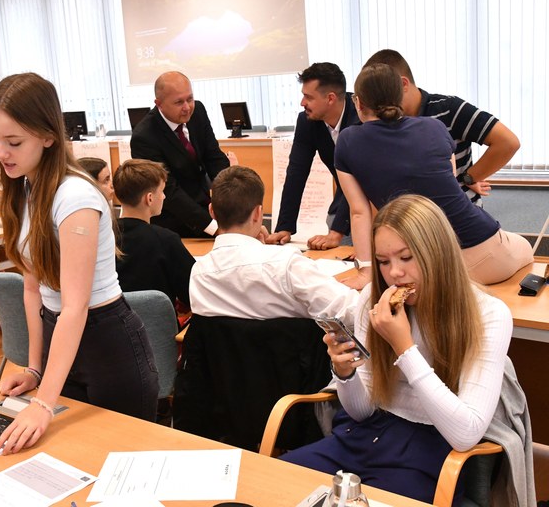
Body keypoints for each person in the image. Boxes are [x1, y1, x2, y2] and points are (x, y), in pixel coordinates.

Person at [281, 194, 519, 505]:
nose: (394, 273)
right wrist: (345, 373)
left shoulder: (488, 314)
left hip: (432, 447)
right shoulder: (372, 299)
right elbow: (361, 411)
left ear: (438, 252)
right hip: (364, 434)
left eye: (406, 258)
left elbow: (465, 434)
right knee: (276, 484)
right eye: (383, 262)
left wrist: (404, 348)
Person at [0, 73, 158, 455]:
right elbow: (33, 290)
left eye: (13, 142)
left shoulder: (76, 197)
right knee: (66, 457)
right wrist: (35, 369)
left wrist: (43, 404)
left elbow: (75, 307)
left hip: (105, 341)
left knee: (115, 458)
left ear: (48, 136)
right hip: (59, 335)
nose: (1, 153)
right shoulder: (24, 187)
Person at [334, 64, 533, 289]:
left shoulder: (348, 140)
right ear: (400, 94)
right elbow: (449, 181)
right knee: (524, 247)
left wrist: (366, 272)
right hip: (483, 252)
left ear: (358, 102)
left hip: (426, 264)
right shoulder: (434, 126)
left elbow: (359, 212)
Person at [190, 166, 358, 322]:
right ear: (258, 213)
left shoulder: (199, 274)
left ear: (211, 212)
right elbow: (352, 312)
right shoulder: (287, 265)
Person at [363, 49, 520, 206]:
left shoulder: (449, 109)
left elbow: (508, 142)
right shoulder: (381, 120)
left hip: (458, 212)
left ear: (403, 84)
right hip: (412, 215)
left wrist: (469, 177)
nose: (377, 103)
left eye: (381, 94)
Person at [267, 62, 359, 250]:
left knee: (345, 243)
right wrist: (285, 226)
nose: (302, 103)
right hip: (344, 198)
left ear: (330, 98)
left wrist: (337, 232)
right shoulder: (307, 121)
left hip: (373, 198)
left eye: (308, 97)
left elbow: (359, 177)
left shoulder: (361, 116)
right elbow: (296, 173)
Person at [130, 71, 229, 237]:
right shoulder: (144, 137)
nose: (187, 107)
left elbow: (214, 158)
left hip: (206, 205)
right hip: (175, 222)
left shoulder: (198, 111)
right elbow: (170, 192)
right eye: (179, 102)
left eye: (190, 99)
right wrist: (214, 227)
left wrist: (235, 211)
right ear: (159, 104)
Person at [113, 158, 194, 310]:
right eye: (162, 191)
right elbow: (193, 294)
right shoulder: (166, 240)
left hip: (113, 322)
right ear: (149, 198)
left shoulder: (103, 236)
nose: (164, 196)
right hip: (160, 323)